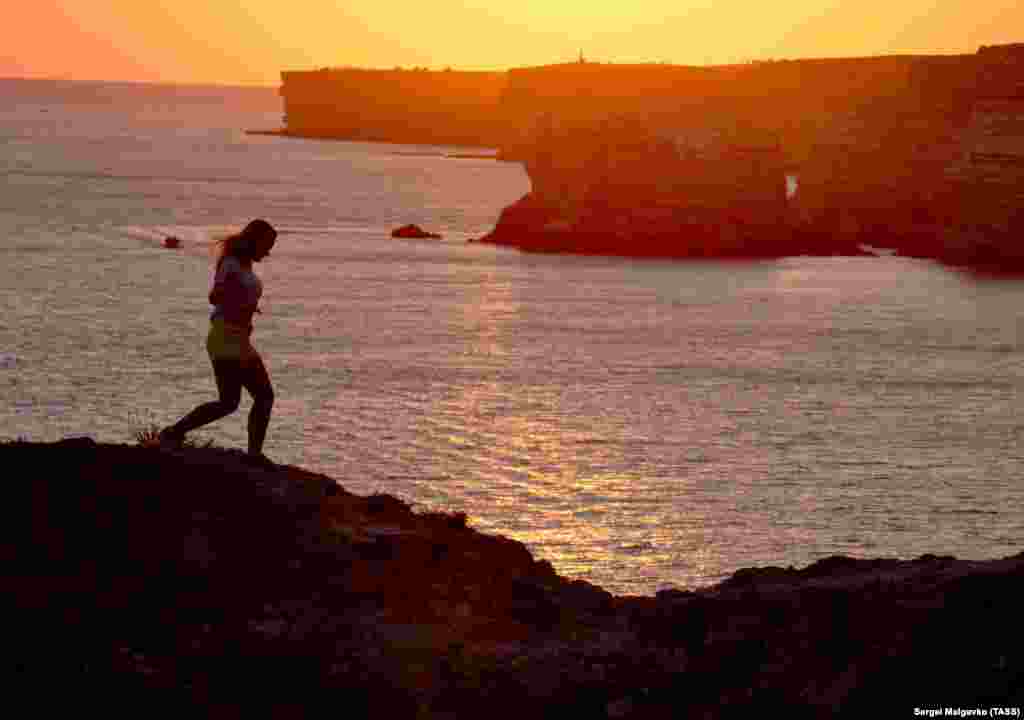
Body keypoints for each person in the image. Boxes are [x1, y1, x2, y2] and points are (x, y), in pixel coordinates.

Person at [158, 219, 278, 468]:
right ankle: (253, 456)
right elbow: (215, 296)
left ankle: (173, 432)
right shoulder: (231, 264)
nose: (268, 252)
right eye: (267, 245)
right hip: (226, 337)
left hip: (235, 337)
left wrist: (247, 308)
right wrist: (239, 303)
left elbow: (233, 296)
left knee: (230, 402)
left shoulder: (243, 264)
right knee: (262, 396)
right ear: (254, 241)